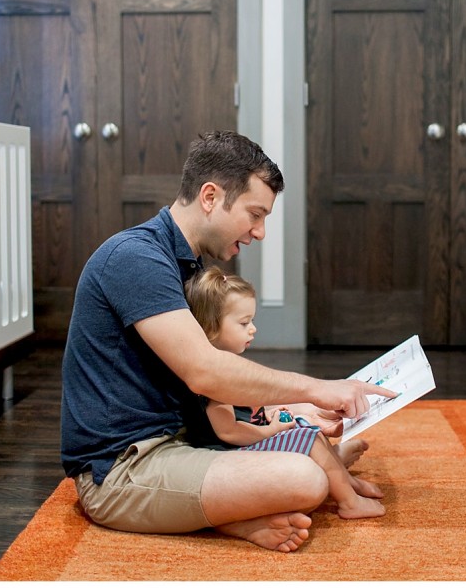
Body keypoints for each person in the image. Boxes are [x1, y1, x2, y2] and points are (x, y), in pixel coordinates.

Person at [60, 131, 397, 553]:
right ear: (210, 196)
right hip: (123, 469)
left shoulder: (185, 263)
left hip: (181, 440)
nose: (260, 232)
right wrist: (318, 387)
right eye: (255, 214)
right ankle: (232, 517)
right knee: (306, 479)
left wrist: (295, 409)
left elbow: (211, 393)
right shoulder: (135, 258)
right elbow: (205, 371)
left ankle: (234, 512)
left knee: (306, 444)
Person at [184, 266, 385, 519]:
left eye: (252, 321)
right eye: (244, 323)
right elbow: (229, 431)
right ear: (211, 328)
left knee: (309, 431)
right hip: (228, 454)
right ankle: (349, 502)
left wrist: (277, 415)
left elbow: (248, 410)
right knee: (307, 438)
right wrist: (273, 429)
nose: (253, 329)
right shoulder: (218, 377)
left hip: (247, 439)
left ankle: (346, 483)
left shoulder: (229, 366)